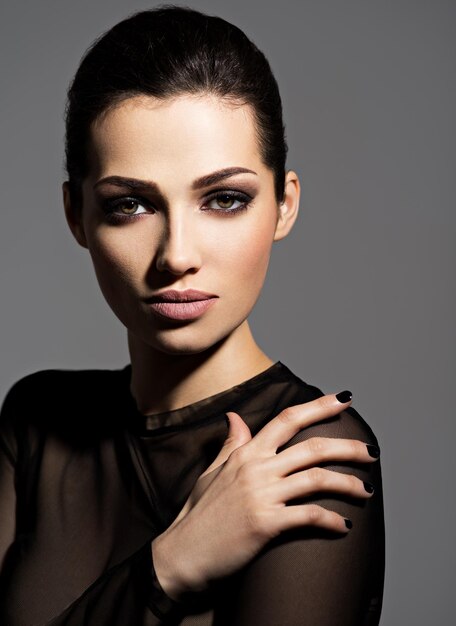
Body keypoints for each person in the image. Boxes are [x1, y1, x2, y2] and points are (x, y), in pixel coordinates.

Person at [0, 5, 385, 625]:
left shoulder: (306, 458)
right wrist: (172, 564)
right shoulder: (36, 420)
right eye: (130, 204)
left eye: (224, 199)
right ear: (76, 215)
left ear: (284, 206)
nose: (177, 255)